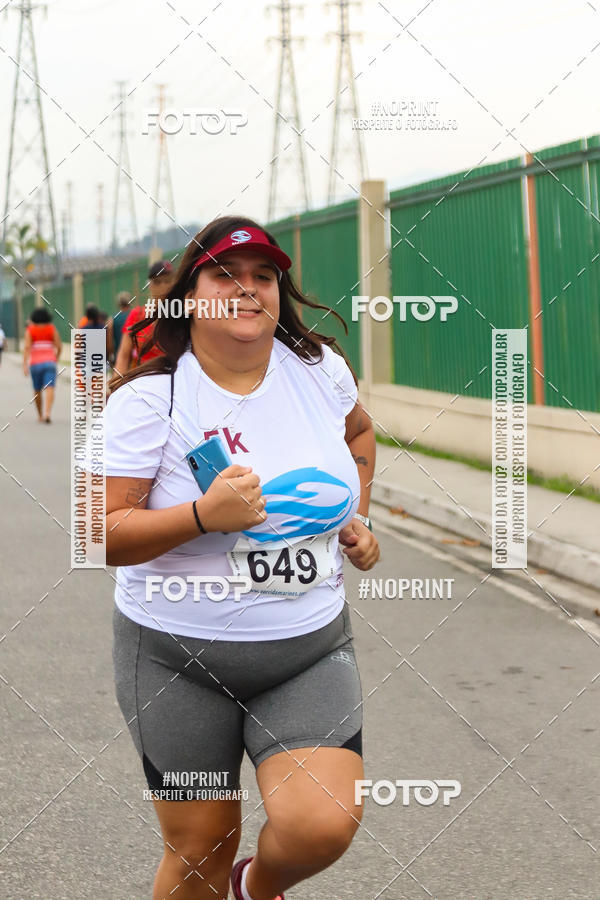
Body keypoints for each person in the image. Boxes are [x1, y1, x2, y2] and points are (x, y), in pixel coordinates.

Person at [102, 215, 380, 900]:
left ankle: (256, 886)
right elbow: (97, 532)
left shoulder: (320, 373)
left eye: (263, 277)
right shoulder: (151, 399)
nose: (247, 289)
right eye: (225, 275)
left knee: (323, 823)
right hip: (175, 659)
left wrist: (357, 514)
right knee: (199, 850)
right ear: (187, 297)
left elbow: (362, 434)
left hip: (305, 650)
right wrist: (202, 515)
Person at [113, 260, 173, 375]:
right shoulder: (137, 315)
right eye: (157, 282)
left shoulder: (183, 316)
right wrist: (115, 388)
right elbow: (123, 356)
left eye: (168, 281)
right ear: (150, 285)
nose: (164, 286)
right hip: (143, 381)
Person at [23, 306, 62, 423]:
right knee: (50, 387)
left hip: (35, 364)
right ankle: (47, 413)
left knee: (37, 389)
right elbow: (59, 346)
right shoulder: (52, 328)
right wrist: (56, 358)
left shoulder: (30, 330)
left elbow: (27, 348)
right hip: (50, 362)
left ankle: (40, 415)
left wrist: (24, 364)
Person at [107, 291, 132, 367]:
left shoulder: (112, 319)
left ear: (118, 304)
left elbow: (109, 342)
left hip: (119, 358)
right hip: (133, 358)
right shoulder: (134, 316)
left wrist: (111, 356)